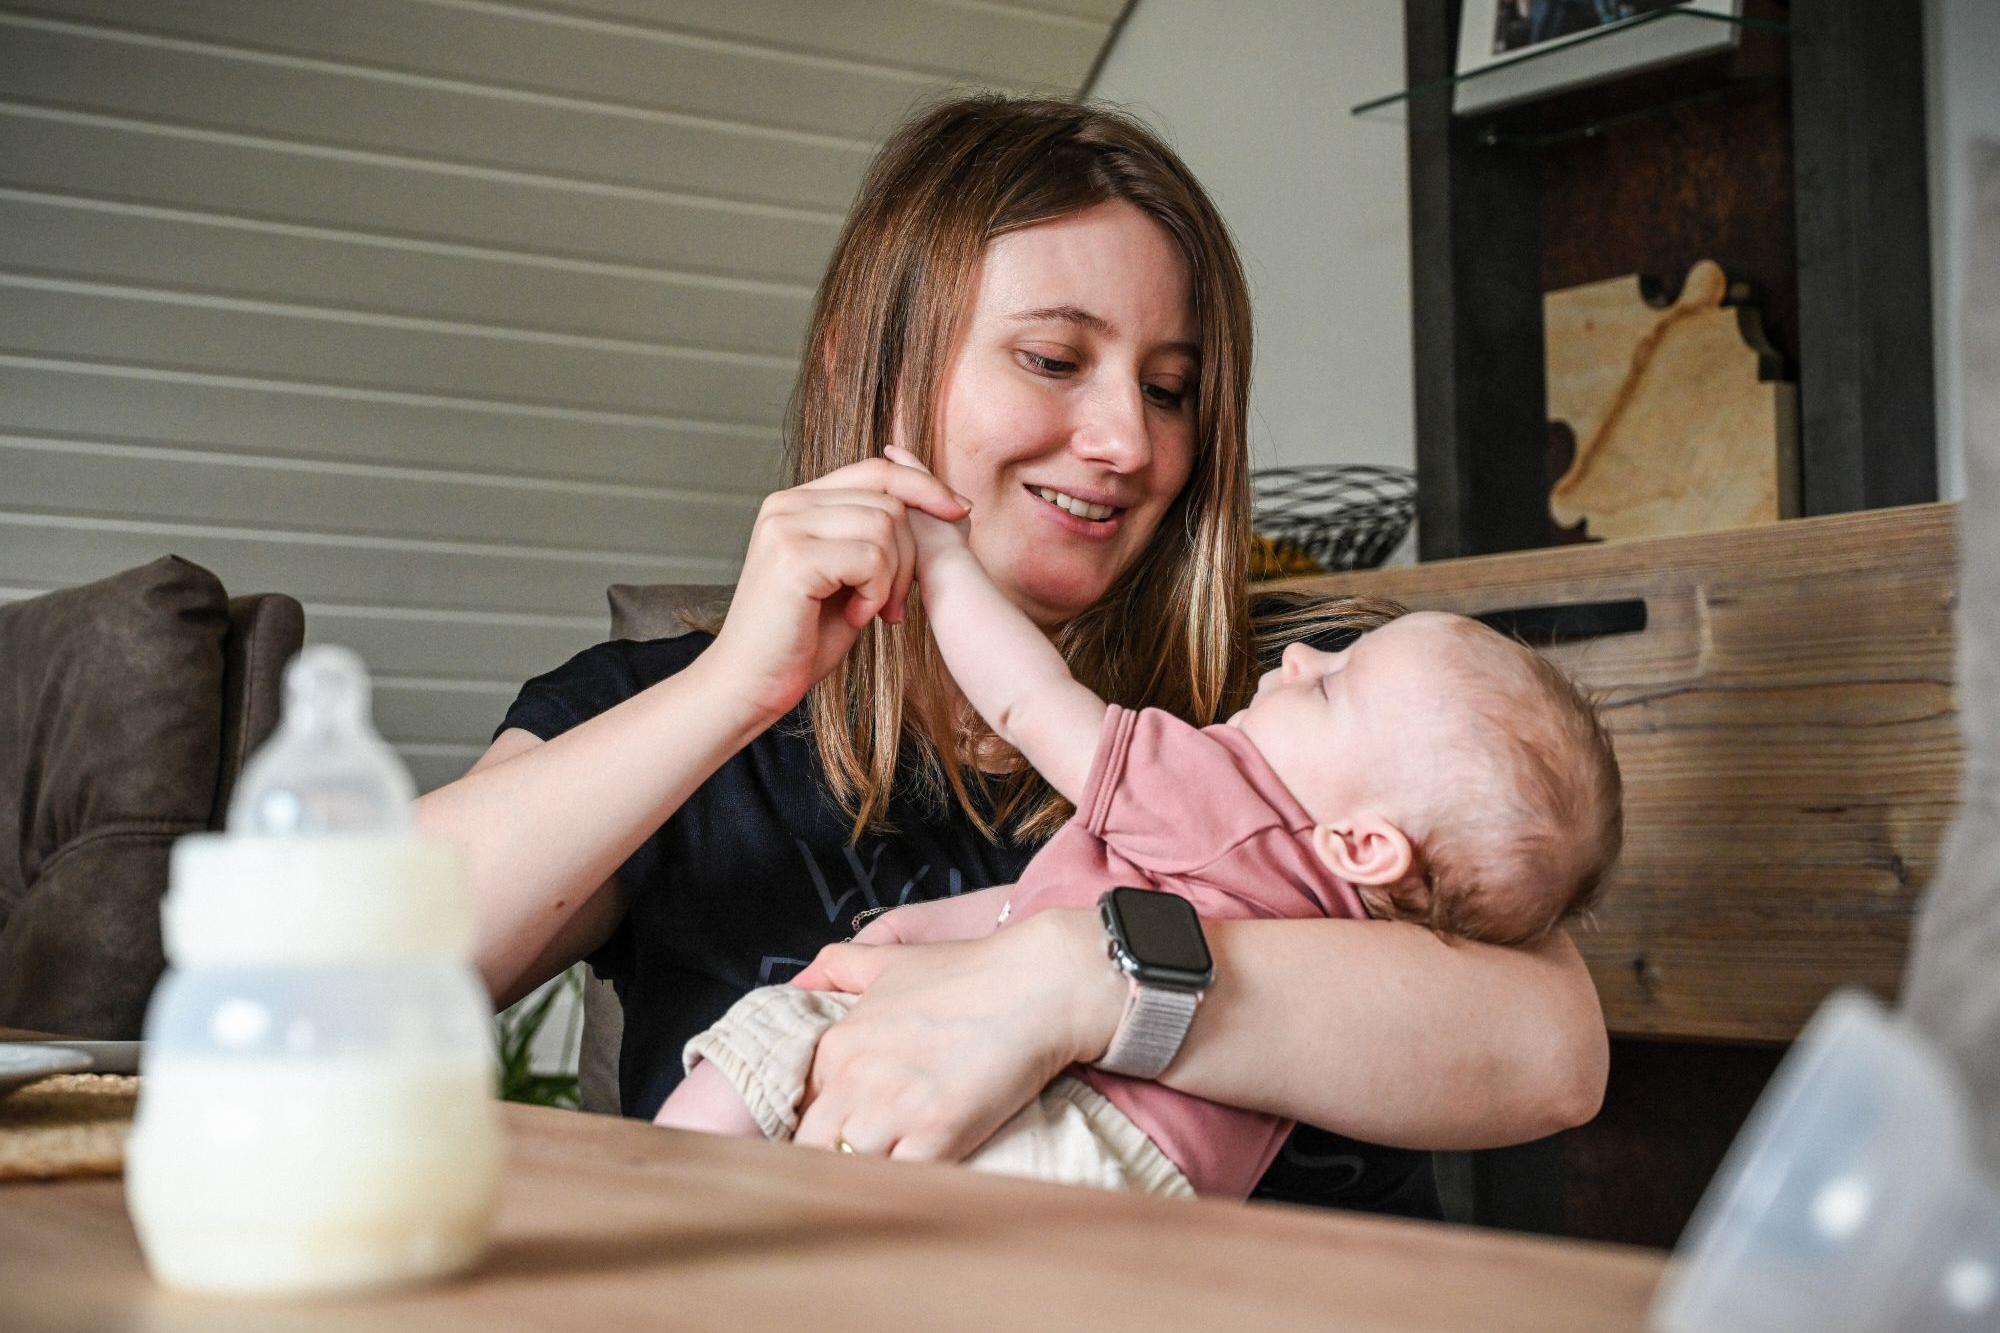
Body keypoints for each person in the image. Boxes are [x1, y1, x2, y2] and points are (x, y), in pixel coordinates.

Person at [414, 95, 1610, 1195]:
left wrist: (1081, 981)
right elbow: (327, 971)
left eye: (1169, 388)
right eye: (1052, 360)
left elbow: (1551, 1053)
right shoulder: (656, 712)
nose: (1124, 443)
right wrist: (734, 687)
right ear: (864, 361)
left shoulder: (1298, 709)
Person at [655, 446, 1623, 1198]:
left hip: (1054, 1123)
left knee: (776, 1031)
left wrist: (942, 559)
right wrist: (919, 930)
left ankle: (661, 1190)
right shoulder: (1347, 917)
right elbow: (1060, 906)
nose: (1295, 662)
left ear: (1365, 841)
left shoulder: (1218, 785)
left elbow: (1028, 701)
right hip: (1162, 1186)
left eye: (1329, 688)